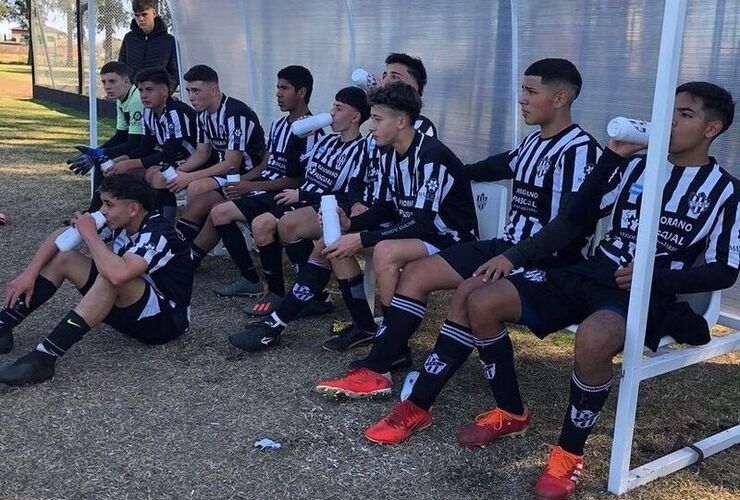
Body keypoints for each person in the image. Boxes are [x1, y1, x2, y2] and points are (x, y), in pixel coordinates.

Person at [366, 82, 738, 500]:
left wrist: (655, 279)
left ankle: (568, 454)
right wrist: (610, 160)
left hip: (647, 292)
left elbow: (725, 271)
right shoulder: (636, 166)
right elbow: (572, 220)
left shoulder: (726, 191)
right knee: (479, 296)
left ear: (712, 128)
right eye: (668, 111)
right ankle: (494, 409)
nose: (669, 121)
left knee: (596, 337)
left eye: (685, 115)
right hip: (590, 271)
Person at [315, 58, 602, 393]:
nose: (521, 98)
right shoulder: (533, 143)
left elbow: (567, 227)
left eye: (530, 91)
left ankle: (407, 374)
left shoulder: (581, 152)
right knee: (416, 275)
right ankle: (380, 367)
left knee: (467, 290)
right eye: (522, 89)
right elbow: (488, 167)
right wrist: (448, 169)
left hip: (545, 260)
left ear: (559, 98)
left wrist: (511, 257)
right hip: (505, 246)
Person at [228, 81, 477, 353]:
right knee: (331, 242)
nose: (371, 127)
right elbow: (387, 207)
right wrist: (350, 224)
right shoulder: (390, 152)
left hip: (450, 239)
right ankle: (296, 325)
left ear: (402, 122)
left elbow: (423, 223)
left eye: (378, 120)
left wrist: (361, 237)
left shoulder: (431, 156)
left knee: (383, 250)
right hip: (418, 232)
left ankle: (393, 347)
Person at [0, 174, 194, 384]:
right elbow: (59, 238)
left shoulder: (158, 232)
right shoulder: (123, 223)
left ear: (132, 209)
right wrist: (29, 273)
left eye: (109, 205)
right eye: (103, 203)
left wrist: (90, 234)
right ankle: (4, 323)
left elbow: (118, 275)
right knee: (65, 258)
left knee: (111, 276)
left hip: (165, 323)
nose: (103, 211)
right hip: (135, 309)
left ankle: (44, 358)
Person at [194, 65, 324, 299]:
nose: (278, 94)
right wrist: (241, 181)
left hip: (283, 193)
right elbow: (266, 164)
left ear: (302, 92)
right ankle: (247, 277)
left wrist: (251, 187)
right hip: (264, 184)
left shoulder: (312, 131)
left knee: (221, 213)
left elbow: (298, 180)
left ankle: (261, 284)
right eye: (277, 88)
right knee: (215, 204)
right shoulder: (278, 125)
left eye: (284, 88)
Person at [243, 86, 369, 316]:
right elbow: (296, 171)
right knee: (258, 222)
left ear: (355, 116)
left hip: (323, 204)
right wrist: (296, 138)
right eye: (333, 106)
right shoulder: (326, 142)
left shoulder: (362, 150)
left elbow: (347, 194)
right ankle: (292, 293)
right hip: (299, 196)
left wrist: (301, 195)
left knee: (272, 224)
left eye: (338, 108)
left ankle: (311, 295)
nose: (331, 113)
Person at [170, 64, 265, 248]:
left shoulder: (234, 114)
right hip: (227, 171)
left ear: (213, 90)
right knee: (181, 181)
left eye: (196, 91)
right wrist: (178, 172)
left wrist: (188, 177)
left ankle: (190, 243)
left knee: (197, 187)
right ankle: (188, 243)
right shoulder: (203, 114)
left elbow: (232, 163)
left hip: (249, 172)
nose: (191, 97)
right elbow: (202, 153)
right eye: (188, 91)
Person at [104, 67, 198, 222]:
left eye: (149, 89)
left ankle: (163, 225)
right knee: (125, 173)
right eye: (140, 90)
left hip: (194, 160)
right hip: (175, 159)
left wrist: (130, 163)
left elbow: (169, 153)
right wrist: (125, 159)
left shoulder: (175, 113)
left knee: (156, 175)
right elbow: (145, 147)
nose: (144, 95)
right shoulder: (148, 111)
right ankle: (125, 220)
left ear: (165, 91)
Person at [67, 62, 145, 213]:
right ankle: (97, 211)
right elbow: (121, 135)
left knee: (104, 162)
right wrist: (96, 152)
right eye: (104, 82)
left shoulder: (136, 100)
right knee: (101, 162)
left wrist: (99, 154)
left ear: (126, 81)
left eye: (112, 81)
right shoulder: (121, 99)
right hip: (140, 146)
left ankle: (98, 212)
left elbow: (135, 142)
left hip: (151, 148)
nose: (107, 86)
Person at [118, 0, 179, 90]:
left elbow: (174, 72)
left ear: (154, 13)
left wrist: (165, 93)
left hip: (158, 97)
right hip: (132, 95)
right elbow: (121, 67)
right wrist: (127, 92)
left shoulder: (168, 40)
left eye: (144, 14)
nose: (141, 19)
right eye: (137, 15)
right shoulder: (129, 38)